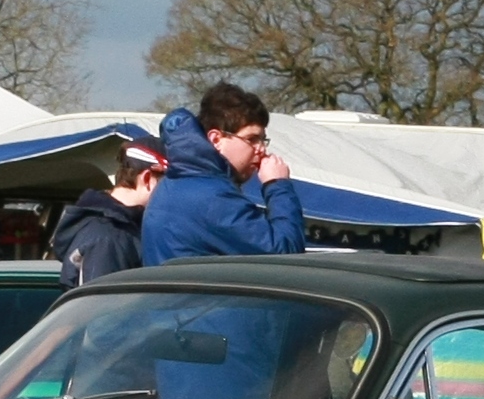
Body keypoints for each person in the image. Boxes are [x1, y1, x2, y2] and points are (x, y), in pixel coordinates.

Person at [140, 82, 304, 265]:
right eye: (252, 139)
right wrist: (278, 185)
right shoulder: (212, 198)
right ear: (216, 139)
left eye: (263, 140)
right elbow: (286, 255)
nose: (262, 150)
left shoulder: (173, 184)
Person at [50, 136, 166, 288]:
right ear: (147, 178)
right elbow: (99, 307)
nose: (171, 193)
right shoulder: (108, 237)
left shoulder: (116, 229)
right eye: (166, 183)